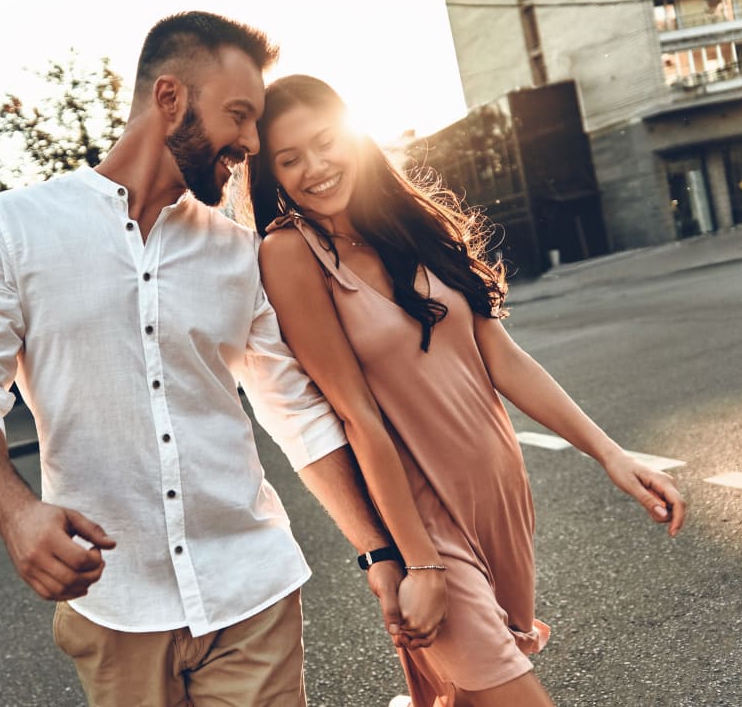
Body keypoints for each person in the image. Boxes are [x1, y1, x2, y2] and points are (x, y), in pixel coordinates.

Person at [0, 14, 433, 707]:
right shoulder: (14, 229)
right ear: (170, 100)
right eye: (239, 116)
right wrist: (15, 512)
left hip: (251, 590)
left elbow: (296, 414)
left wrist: (378, 552)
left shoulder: (236, 251)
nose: (252, 143)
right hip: (115, 606)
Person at [248, 74, 687, 707]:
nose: (314, 167)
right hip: (423, 514)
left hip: (499, 496)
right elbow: (356, 415)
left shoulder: (411, 226)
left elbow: (503, 360)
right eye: (290, 160)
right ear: (274, 176)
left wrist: (612, 455)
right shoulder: (290, 253)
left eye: (324, 142)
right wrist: (416, 561)